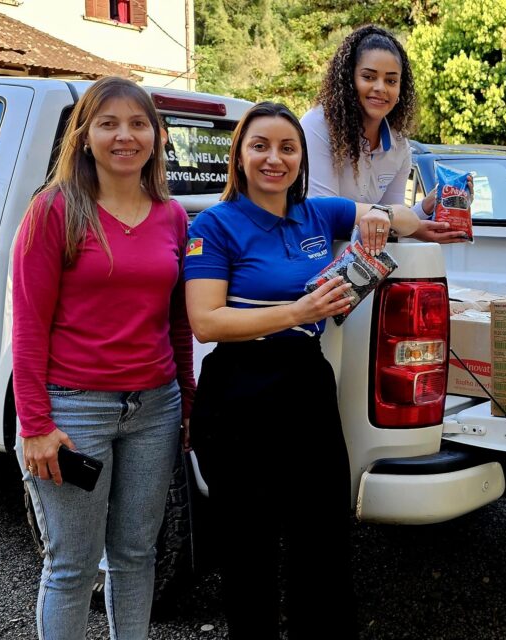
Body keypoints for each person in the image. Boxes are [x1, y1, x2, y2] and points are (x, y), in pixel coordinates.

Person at [184, 101, 422, 638]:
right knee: (251, 551)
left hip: (306, 385)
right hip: (241, 391)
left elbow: (400, 218)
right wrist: (300, 312)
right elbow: (205, 321)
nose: (275, 159)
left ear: (301, 157)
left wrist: (384, 216)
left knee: (324, 538)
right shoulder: (214, 225)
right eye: (260, 146)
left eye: (287, 148)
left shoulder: (319, 213)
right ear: (240, 156)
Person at [13, 76, 196, 639]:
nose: (125, 136)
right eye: (109, 123)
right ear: (85, 135)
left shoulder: (173, 216)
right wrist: (36, 425)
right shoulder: (54, 210)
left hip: (155, 410)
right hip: (73, 414)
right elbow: (27, 325)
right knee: (71, 564)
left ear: (157, 135)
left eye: (138, 123)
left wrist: (187, 404)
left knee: (136, 555)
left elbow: (180, 322)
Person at [301, 24, 465, 243]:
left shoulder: (399, 146)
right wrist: (400, 221)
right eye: (369, 77)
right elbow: (324, 214)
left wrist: (426, 207)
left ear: (400, 89)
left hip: (362, 268)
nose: (381, 88)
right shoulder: (318, 125)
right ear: (349, 80)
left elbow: (391, 222)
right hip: (315, 260)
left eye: (391, 80)